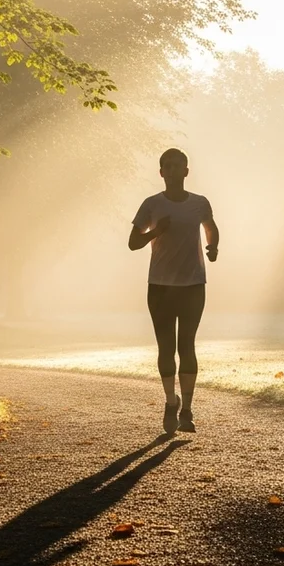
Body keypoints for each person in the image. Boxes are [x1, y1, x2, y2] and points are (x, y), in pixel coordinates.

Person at [128, 148, 219, 434]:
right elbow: (133, 242)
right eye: (168, 166)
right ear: (161, 172)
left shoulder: (199, 203)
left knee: (187, 346)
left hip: (192, 284)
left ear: (186, 171)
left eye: (178, 166)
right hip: (160, 286)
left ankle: (188, 410)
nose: (173, 171)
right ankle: (171, 402)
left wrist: (213, 247)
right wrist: (156, 232)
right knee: (166, 348)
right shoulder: (152, 205)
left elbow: (211, 228)